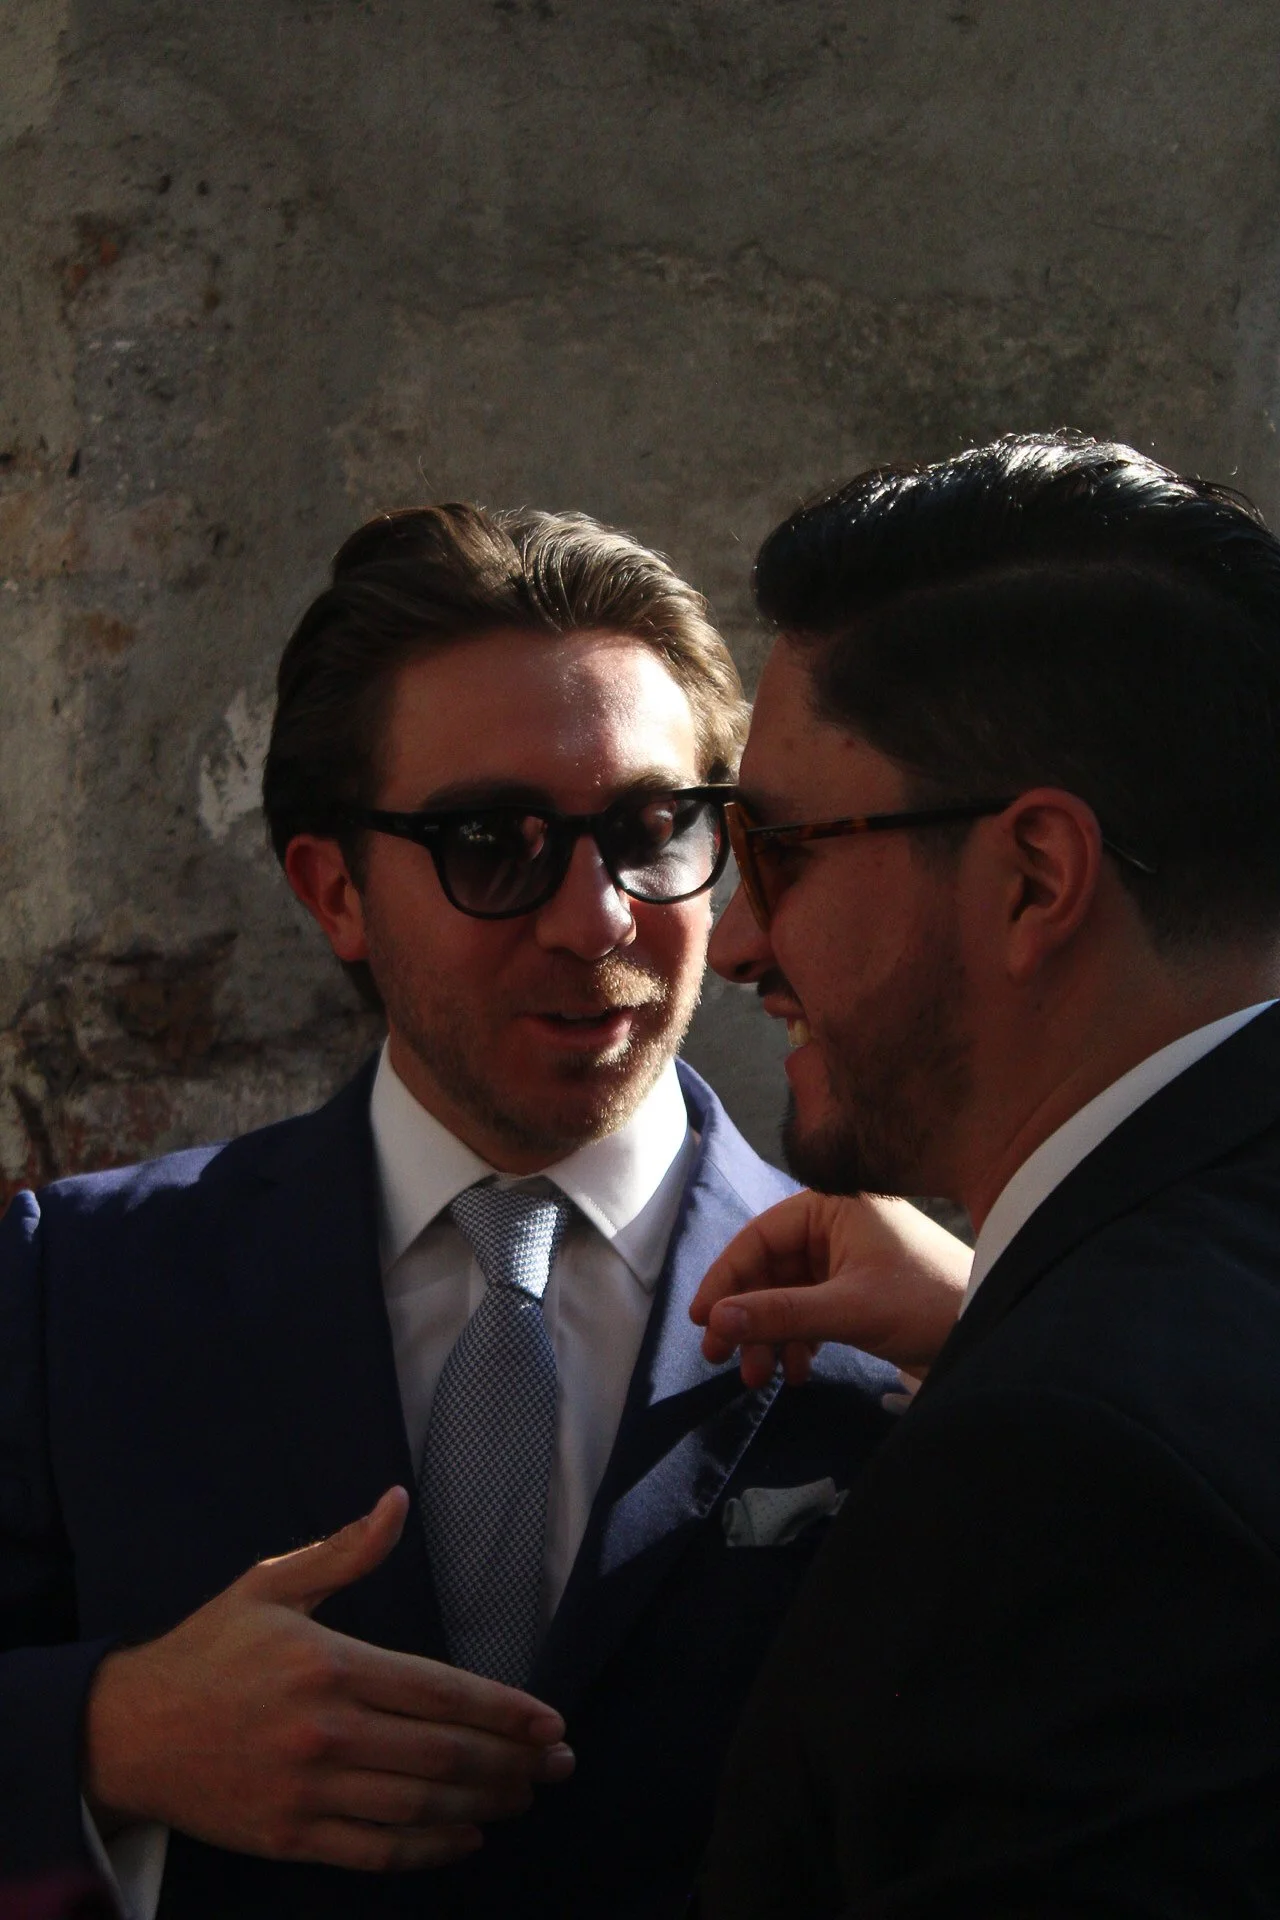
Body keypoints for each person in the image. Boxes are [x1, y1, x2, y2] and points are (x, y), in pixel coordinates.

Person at [0, 504, 962, 1920]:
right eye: (492, 844)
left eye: (652, 829)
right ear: (334, 891)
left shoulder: (919, 1330)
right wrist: (110, 1736)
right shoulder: (78, 1287)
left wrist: (1002, 1343)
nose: (596, 918)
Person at [691, 434, 1280, 1916]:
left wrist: (1045, 1371)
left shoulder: (1063, 1471)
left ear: (1033, 879)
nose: (736, 943)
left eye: (778, 850)